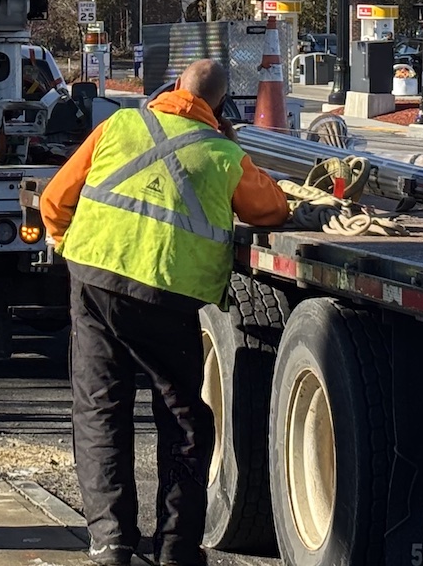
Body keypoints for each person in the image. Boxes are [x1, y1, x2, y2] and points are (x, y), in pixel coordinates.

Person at [40, 60, 292, 566]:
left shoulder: (120, 124)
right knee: (183, 420)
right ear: (219, 108)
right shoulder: (223, 154)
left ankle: (111, 541)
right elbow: (272, 210)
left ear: (174, 87)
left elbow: (55, 197)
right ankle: (177, 547)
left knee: (99, 410)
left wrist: (69, 244)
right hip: (166, 296)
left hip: (93, 280)